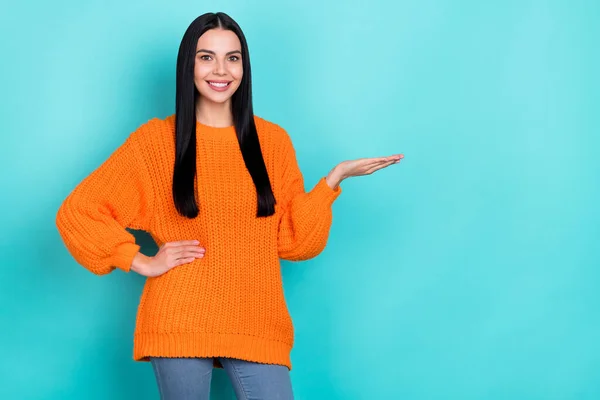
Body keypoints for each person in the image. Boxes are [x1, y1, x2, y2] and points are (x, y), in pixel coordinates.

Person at [55, 11, 403, 400]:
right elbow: (79, 211)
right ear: (188, 65)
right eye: (206, 57)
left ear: (244, 67)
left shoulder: (272, 142)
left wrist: (331, 181)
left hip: (257, 318)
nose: (220, 70)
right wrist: (141, 260)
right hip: (179, 315)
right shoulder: (155, 142)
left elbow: (295, 243)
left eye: (232, 57)